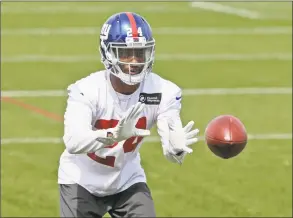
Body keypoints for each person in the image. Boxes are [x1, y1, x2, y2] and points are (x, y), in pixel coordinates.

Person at [58, 12, 199, 218]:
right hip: (80, 180)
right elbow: (73, 141)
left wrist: (176, 149)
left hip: (127, 180)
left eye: (140, 53)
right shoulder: (86, 89)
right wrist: (112, 135)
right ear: (108, 53)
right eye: (125, 53)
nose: (134, 61)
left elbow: (170, 150)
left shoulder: (163, 91)